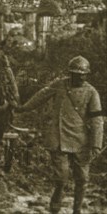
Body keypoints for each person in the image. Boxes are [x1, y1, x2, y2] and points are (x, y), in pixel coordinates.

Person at [15, 56, 104, 214]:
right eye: (76, 74)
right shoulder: (59, 85)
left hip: (82, 141)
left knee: (82, 179)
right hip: (58, 138)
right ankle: (55, 206)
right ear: (70, 74)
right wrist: (23, 108)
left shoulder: (92, 93)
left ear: (87, 75)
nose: (80, 77)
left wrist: (96, 144)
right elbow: (41, 96)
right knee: (61, 178)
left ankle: (77, 210)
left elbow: (97, 120)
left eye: (83, 74)